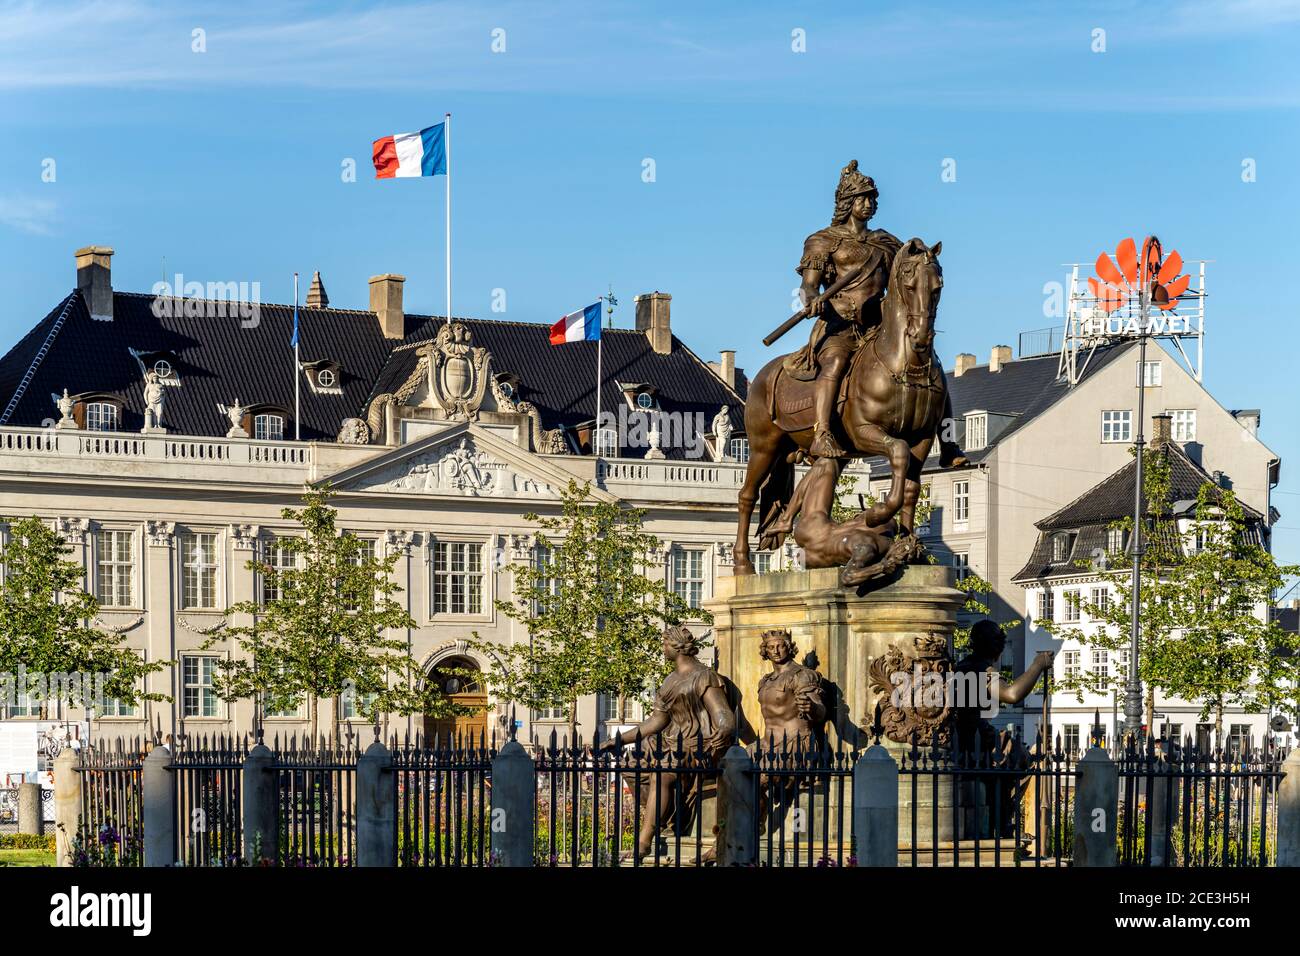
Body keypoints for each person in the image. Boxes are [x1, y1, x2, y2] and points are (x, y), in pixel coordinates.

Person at [602, 626, 735, 859]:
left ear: (677, 647)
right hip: (671, 742)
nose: (662, 649)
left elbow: (722, 714)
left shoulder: (704, 676)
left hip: (697, 746)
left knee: (662, 771)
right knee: (632, 765)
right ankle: (665, 817)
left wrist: (725, 729)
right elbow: (656, 721)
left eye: (665, 644)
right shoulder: (670, 680)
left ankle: (643, 842)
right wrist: (619, 740)